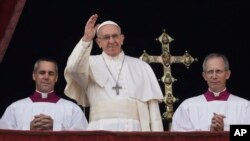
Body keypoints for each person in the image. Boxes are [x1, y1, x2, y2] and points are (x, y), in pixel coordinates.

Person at [64, 14, 164, 131]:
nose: (111, 41)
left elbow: (154, 110)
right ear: (98, 42)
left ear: (122, 39)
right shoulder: (89, 63)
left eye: (115, 36)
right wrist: (86, 39)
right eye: (106, 37)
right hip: (100, 130)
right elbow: (72, 68)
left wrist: (157, 136)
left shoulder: (141, 66)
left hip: (135, 131)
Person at [0, 58, 88, 131]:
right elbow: (4, 136)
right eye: (42, 72)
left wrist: (56, 127)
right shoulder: (15, 108)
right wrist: (27, 129)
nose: (46, 77)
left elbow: (82, 137)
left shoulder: (72, 109)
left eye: (51, 73)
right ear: (34, 76)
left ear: (56, 78)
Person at [171, 53, 250, 131]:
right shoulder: (188, 106)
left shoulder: (245, 106)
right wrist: (209, 132)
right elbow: (179, 137)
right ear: (204, 76)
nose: (214, 76)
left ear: (227, 74)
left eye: (218, 71)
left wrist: (224, 130)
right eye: (210, 72)